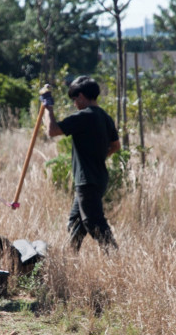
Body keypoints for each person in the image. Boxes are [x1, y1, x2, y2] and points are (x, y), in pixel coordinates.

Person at [43, 76, 120, 252]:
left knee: (93, 222)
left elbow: (52, 130)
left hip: (87, 180)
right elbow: (116, 146)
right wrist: (99, 156)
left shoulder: (83, 116)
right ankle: (71, 259)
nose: (75, 103)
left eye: (75, 99)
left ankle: (115, 257)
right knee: (75, 224)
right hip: (98, 178)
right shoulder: (104, 116)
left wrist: (48, 108)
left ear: (83, 96)